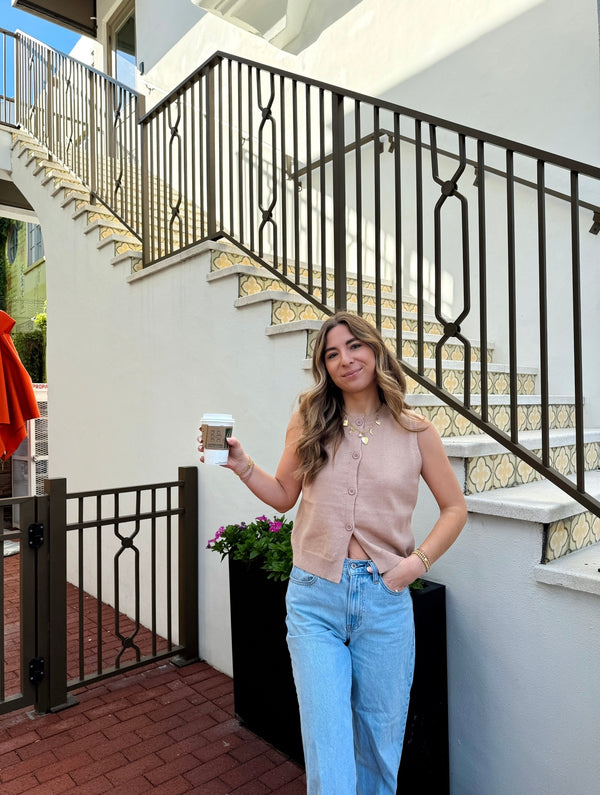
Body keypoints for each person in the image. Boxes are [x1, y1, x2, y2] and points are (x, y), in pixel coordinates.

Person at [199, 311, 467, 794]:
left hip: (384, 602)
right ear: (324, 366)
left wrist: (413, 566)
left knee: (379, 751)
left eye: (354, 347)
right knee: (330, 754)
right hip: (315, 598)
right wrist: (242, 465)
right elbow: (284, 494)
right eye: (331, 354)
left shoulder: (416, 431)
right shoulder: (311, 419)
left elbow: (454, 509)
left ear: (375, 349)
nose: (345, 360)